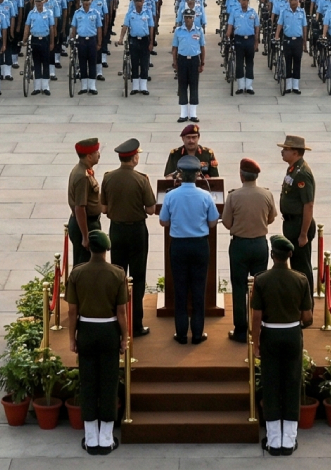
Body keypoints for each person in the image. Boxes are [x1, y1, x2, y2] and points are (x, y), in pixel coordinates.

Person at [65, 228, 127, 456]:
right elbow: (121, 312)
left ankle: (91, 438)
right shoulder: (117, 274)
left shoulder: (77, 273)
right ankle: (106, 439)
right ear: (107, 249)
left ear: (89, 248)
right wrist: (124, 338)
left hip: (87, 331)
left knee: (88, 382)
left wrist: (72, 338)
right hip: (109, 331)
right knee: (109, 383)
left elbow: (72, 311)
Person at [252, 235, 314, 457]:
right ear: (290, 255)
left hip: (270, 335)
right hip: (292, 334)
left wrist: (255, 342)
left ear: (272, 255)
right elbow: (307, 316)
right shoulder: (301, 280)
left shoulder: (261, 280)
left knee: (271, 384)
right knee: (291, 382)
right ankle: (288, 440)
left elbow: (256, 317)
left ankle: (274, 441)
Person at [159, 154, 220, 344]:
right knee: (198, 289)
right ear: (197, 175)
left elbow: (163, 221)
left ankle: (181, 333)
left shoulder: (170, 195)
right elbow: (212, 222)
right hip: (199, 245)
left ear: (180, 175)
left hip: (178, 245)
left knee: (180, 289)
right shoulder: (205, 196)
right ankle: (198, 333)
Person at [100, 138, 155, 336]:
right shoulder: (142, 179)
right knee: (138, 278)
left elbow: (104, 208)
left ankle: (119, 321)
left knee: (119, 276)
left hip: (117, 231)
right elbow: (150, 209)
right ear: (134, 158)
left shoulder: (108, 178)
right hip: (137, 232)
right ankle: (136, 324)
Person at [221, 157, 277, 344]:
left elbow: (227, 223)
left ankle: (240, 331)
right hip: (260, 244)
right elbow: (271, 219)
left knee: (239, 288)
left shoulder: (234, 196)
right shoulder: (266, 195)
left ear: (241, 175)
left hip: (240, 246)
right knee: (259, 288)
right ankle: (259, 328)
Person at [277, 135, 315, 290]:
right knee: (295, 266)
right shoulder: (293, 168)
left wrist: (303, 234)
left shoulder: (302, 173)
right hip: (291, 223)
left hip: (299, 224)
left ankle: (307, 308)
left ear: (295, 152)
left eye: (286, 149)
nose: (282, 152)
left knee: (302, 269)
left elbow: (308, 205)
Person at [68, 137, 103, 266]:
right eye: (96, 152)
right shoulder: (82, 176)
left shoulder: (84, 171)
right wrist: (85, 236)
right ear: (89, 156)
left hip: (88, 223)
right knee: (84, 265)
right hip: (85, 225)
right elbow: (80, 207)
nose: (99, 155)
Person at [171, 7, 205, 123]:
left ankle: (193, 114)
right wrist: (175, 62)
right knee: (182, 86)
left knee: (194, 86)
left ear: (194, 18)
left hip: (194, 60)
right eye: (186, 17)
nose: (188, 20)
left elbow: (202, 47)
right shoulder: (178, 31)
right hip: (182, 60)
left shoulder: (198, 30)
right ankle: (183, 114)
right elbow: (174, 48)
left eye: (190, 17)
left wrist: (202, 63)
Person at [227, 0, 259, 95]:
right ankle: (240, 86)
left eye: (245, 0)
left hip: (250, 39)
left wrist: (256, 41)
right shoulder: (235, 11)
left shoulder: (253, 12)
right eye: (242, 0)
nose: (244, 2)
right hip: (239, 39)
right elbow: (230, 26)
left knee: (250, 62)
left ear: (248, 1)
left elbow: (257, 27)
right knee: (239, 63)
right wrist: (228, 36)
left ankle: (249, 86)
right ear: (239, 0)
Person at [70, 0, 102, 95]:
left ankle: (92, 86)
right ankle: (84, 86)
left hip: (92, 39)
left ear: (91, 1)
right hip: (81, 40)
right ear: (82, 2)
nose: (86, 2)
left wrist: (99, 42)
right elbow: (74, 28)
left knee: (92, 62)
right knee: (82, 63)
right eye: (84, 1)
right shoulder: (77, 13)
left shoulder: (95, 13)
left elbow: (99, 28)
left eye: (88, 0)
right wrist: (72, 38)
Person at [24, 0, 55, 96]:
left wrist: (52, 42)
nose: (38, 3)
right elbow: (27, 27)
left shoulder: (49, 12)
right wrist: (24, 40)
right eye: (37, 1)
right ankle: (37, 87)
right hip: (35, 39)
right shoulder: (31, 13)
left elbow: (51, 28)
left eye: (40, 1)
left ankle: (45, 87)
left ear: (44, 1)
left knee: (45, 63)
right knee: (36, 63)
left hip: (45, 39)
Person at [275, 0, 306, 95]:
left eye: (296, 0)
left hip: (298, 40)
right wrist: (277, 36)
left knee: (297, 61)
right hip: (287, 39)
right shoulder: (284, 12)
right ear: (289, 1)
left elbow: (304, 27)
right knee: (288, 61)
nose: (294, 2)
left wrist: (305, 41)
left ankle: (296, 85)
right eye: (292, 0)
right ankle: (288, 85)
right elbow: (280, 24)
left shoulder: (302, 12)